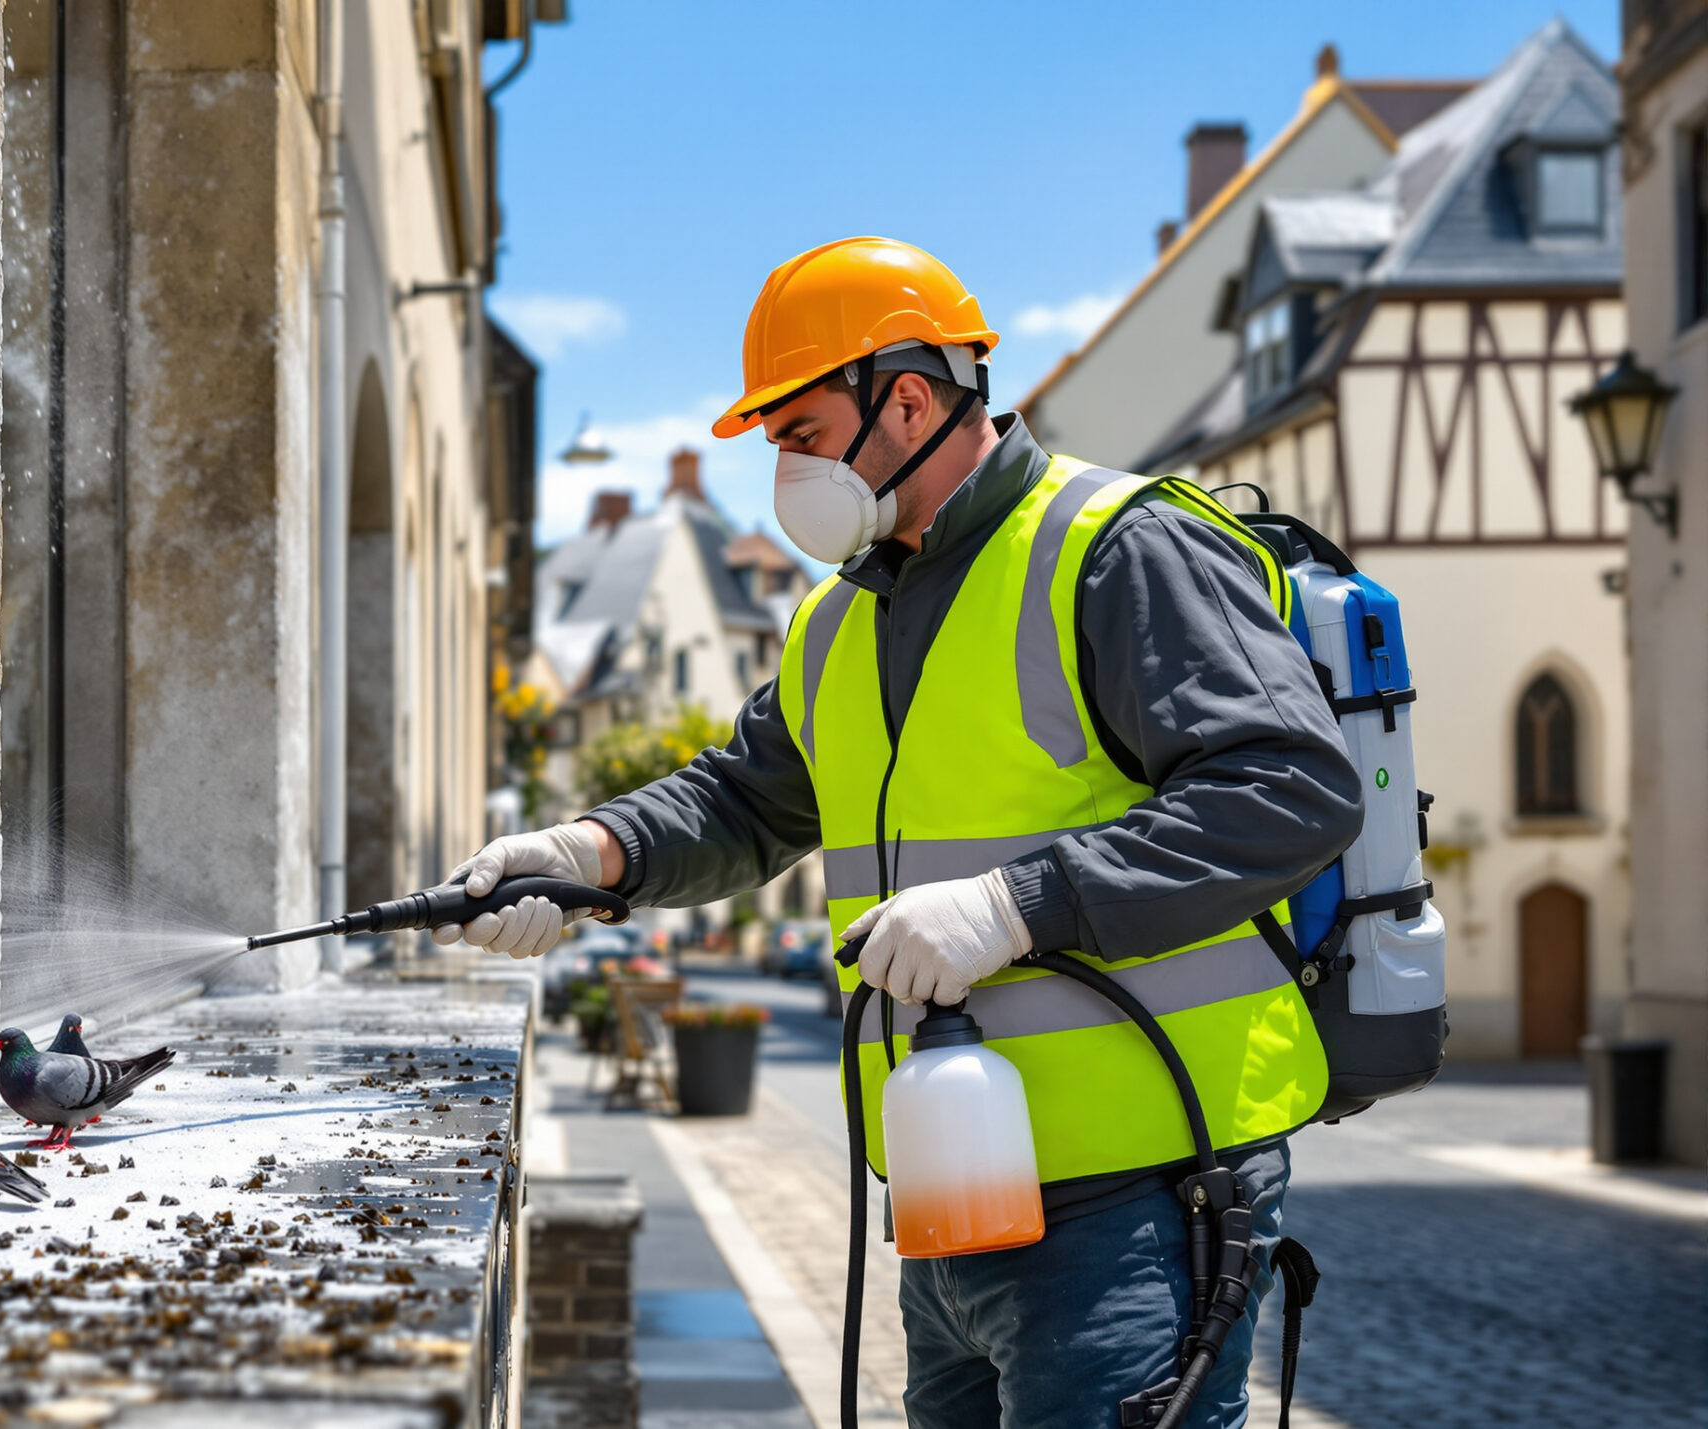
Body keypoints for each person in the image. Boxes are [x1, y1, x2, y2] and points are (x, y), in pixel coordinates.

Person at [437, 237, 1361, 1427]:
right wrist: (585, 855)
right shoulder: (837, 622)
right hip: (952, 1182)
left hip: (1141, 1190)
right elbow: (743, 800)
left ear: (910, 401)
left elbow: (1288, 786)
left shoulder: (1117, 547)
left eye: (802, 433)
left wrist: (1014, 906)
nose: (786, 471)